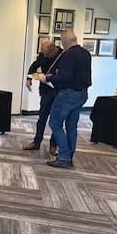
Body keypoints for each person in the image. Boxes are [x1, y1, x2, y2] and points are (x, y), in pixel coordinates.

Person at [40, 30, 91, 169]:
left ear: (64, 41)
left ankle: (64, 157)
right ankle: (69, 155)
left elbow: (65, 77)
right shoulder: (85, 53)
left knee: (55, 123)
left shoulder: (68, 55)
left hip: (68, 94)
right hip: (82, 94)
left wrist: (48, 78)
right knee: (71, 125)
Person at [23, 40, 62, 156]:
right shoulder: (42, 55)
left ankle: (53, 146)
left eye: (45, 53)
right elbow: (34, 66)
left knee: (56, 120)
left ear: (52, 50)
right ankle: (36, 142)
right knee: (42, 118)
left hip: (58, 90)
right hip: (46, 90)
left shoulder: (63, 56)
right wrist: (29, 79)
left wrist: (54, 76)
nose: (43, 55)